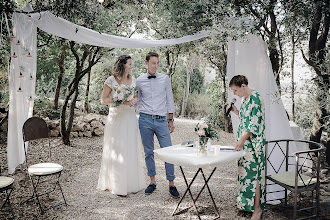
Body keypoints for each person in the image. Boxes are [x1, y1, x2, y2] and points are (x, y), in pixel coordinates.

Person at [97, 55, 145, 196]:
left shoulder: (133, 80)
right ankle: (117, 185)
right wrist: (119, 101)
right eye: (130, 64)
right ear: (122, 65)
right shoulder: (111, 80)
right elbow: (103, 99)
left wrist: (133, 100)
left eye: (132, 64)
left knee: (130, 148)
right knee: (117, 149)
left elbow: (136, 97)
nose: (132, 66)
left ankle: (130, 183)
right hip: (117, 117)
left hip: (130, 117)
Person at [136, 52, 180, 198]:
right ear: (146, 63)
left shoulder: (165, 79)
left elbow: (170, 98)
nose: (156, 65)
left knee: (168, 151)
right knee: (148, 152)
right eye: (153, 62)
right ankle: (152, 182)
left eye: (157, 63)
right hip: (145, 119)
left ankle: (171, 184)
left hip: (161, 120)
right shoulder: (139, 80)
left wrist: (171, 119)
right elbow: (138, 101)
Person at [229, 75, 266, 220]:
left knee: (255, 176)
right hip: (246, 144)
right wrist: (236, 111)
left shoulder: (256, 98)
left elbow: (253, 125)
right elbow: (246, 119)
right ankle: (248, 206)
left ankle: (257, 210)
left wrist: (241, 140)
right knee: (246, 175)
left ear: (243, 86)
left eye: (235, 90)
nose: (235, 94)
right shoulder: (245, 99)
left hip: (254, 145)